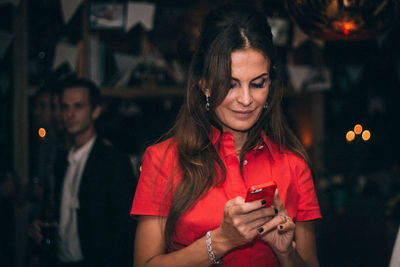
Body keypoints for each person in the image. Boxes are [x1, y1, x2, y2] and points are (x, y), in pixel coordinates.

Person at [131, 3, 321, 267]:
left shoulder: (293, 165)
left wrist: (285, 252)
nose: (246, 100)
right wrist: (221, 241)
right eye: (230, 84)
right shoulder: (163, 159)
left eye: (257, 84)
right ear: (205, 83)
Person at [29, 78, 136, 267]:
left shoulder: (112, 162)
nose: (69, 114)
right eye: (64, 107)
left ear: (95, 111)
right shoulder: (60, 159)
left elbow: (124, 229)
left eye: (78, 106)